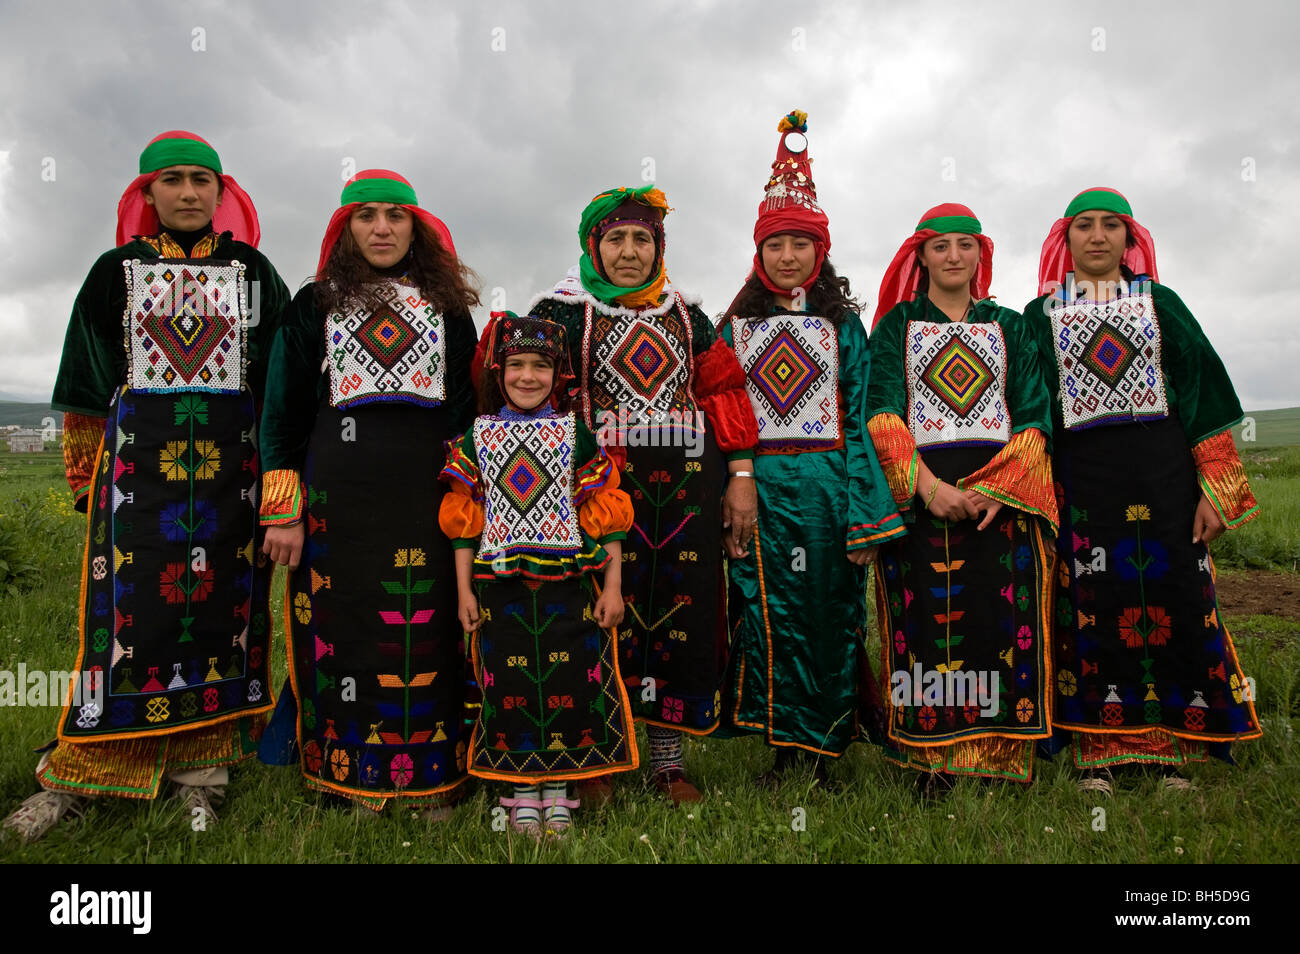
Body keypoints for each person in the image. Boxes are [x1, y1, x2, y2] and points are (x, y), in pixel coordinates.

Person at [3, 130, 289, 841]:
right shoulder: (114, 271)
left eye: (201, 180)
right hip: (136, 480)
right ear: (147, 193)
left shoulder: (255, 273)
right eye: (173, 181)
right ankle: (77, 775)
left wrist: (286, 483)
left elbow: (280, 385)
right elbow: (86, 379)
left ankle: (203, 775)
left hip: (235, 482)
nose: (189, 192)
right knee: (125, 625)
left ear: (223, 193)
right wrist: (85, 478)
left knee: (223, 622)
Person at [527, 185, 759, 804]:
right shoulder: (559, 312)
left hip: (684, 490)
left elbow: (725, 394)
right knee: (597, 612)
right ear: (592, 247)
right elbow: (529, 394)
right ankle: (596, 754)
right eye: (615, 238)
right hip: (599, 489)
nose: (629, 251)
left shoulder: (687, 316)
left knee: (677, 614)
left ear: (658, 247)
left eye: (642, 239)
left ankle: (666, 757)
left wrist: (740, 480)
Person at [1024, 187, 1260, 792]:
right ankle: (1096, 753)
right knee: (1089, 608)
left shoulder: (1161, 303)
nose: (1097, 237)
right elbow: (1028, 408)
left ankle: (1172, 751)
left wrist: (1217, 488)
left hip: (1166, 483)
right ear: (1065, 239)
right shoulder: (1039, 315)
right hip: (1082, 487)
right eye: (1084, 227)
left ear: (1130, 239)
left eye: (1111, 226)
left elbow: (1203, 393)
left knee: (1176, 599)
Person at [258, 169, 478, 815]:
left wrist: (472, 498)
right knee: (344, 624)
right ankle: (347, 775)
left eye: (394, 215)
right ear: (345, 229)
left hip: (426, 500)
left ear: (417, 227)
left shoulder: (445, 308)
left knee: (428, 625)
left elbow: (466, 412)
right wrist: (284, 511)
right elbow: (283, 414)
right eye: (366, 216)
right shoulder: (315, 304)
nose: (381, 227)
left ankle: (432, 774)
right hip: (337, 503)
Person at [717, 111, 905, 780]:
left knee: (829, 616)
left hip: (827, 491)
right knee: (767, 615)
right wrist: (729, 489)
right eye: (775, 246)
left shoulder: (842, 327)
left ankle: (825, 746)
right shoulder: (732, 327)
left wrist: (864, 511)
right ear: (758, 253)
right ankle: (782, 743)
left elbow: (859, 419)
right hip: (759, 492)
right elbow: (720, 414)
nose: (787, 256)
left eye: (799, 244)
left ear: (819, 251)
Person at [867, 204, 1057, 789]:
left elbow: (1034, 413)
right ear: (919, 255)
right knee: (927, 623)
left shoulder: (1010, 325)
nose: (954, 256)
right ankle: (930, 759)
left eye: (966, 245)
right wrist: (928, 488)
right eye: (941, 246)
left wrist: (998, 489)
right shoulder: (896, 326)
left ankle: (1001, 754)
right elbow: (880, 411)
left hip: (1001, 504)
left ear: (982, 255)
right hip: (926, 497)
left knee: (998, 622)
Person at [440, 312, 637, 835]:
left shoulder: (575, 434)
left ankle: (560, 789)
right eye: (517, 366)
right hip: (499, 591)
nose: (528, 377)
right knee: (509, 684)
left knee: (567, 679)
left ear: (559, 374)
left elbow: (607, 509)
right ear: (498, 372)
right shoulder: (477, 437)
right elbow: (464, 521)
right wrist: (463, 591)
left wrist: (613, 586)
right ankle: (521, 790)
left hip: (569, 588)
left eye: (540, 367)